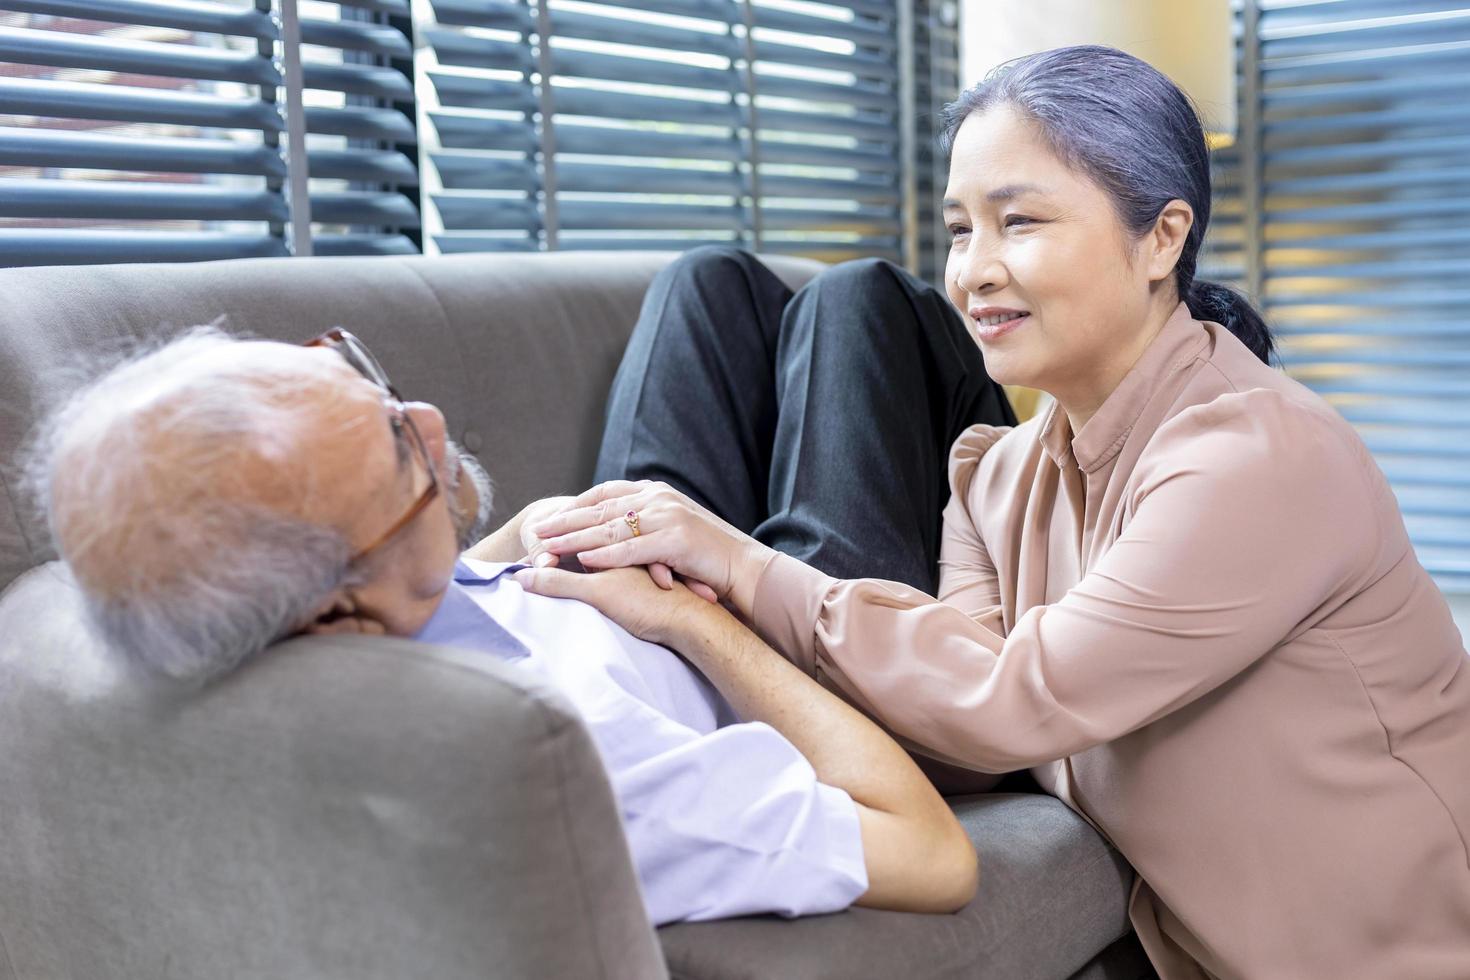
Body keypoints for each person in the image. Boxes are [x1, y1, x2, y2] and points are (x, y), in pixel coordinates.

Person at [519, 46, 1470, 978]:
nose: (971, 270)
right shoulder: (995, 473)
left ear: (1163, 238)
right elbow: (959, 738)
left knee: (835, 310)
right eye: (960, 228)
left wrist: (735, 569)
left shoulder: (1261, 455)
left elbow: (1011, 700)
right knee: (707, 284)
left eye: (1018, 222)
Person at [26, 327, 978, 927]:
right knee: (858, 313)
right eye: (401, 456)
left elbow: (425, 600)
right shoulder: (574, 769)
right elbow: (935, 861)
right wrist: (699, 622)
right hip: (790, 663)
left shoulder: (326, 626)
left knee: (708, 288)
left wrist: (522, 541)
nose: (431, 417)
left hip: (607, 583)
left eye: (351, 378)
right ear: (338, 613)